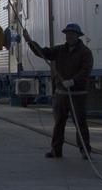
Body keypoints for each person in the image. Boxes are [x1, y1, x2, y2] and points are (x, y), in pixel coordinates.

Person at [24, 22, 94, 159]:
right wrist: (29, 41)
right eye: (67, 34)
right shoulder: (60, 50)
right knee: (59, 123)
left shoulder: (85, 52)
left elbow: (86, 70)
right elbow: (43, 53)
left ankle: (85, 150)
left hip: (77, 94)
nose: (69, 36)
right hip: (61, 94)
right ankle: (56, 150)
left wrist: (73, 81)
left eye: (72, 34)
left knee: (80, 123)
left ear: (78, 36)